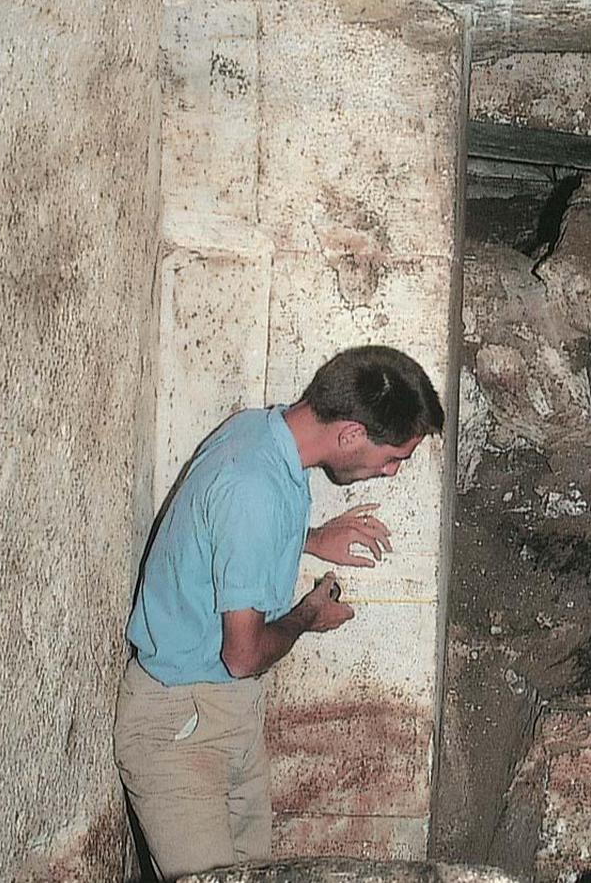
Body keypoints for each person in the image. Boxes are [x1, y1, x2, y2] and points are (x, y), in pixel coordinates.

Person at [113, 345, 444, 880]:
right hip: (181, 728)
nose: (389, 473)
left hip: (225, 711)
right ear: (351, 435)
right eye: (393, 457)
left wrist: (307, 539)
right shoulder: (256, 491)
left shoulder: (261, 438)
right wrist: (307, 615)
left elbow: (225, 534)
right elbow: (243, 655)